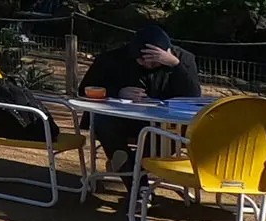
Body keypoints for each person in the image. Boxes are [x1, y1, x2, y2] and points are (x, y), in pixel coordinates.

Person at [80, 24, 204, 172]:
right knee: (101, 121)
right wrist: (117, 92)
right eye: (142, 60)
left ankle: (129, 169)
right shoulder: (112, 59)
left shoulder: (184, 59)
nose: (148, 65)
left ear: (167, 53)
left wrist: (176, 65)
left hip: (166, 124)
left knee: (168, 134)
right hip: (128, 120)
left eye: (154, 61)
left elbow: (194, 95)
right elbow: (85, 89)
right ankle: (131, 169)